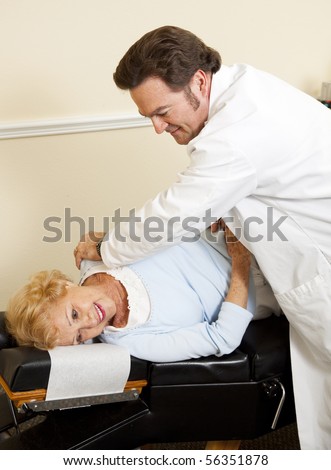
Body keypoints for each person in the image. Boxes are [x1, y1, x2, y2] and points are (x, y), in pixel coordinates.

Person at [73, 26, 331, 449]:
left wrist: (104, 248)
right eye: (148, 117)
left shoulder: (236, 135)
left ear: (198, 79)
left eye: (162, 111)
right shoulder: (243, 88)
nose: (157, 128)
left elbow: (173, 212)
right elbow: (233, 190)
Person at [5, 229, 279, 362]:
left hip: (243, 229)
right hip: (268, 283)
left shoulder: (100, 251)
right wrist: (240, 261)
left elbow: (173, 223)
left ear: (62, 287)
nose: (89, 323)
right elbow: (223, 338)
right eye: (78, 336)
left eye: (74, 314)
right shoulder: (132, 341)